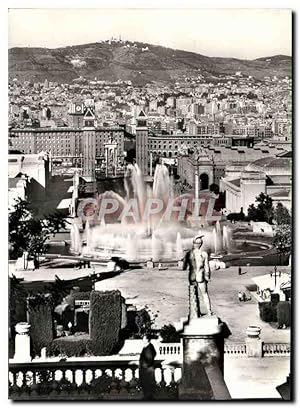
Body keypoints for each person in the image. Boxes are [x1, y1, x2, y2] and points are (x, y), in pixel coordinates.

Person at [183, 235, 212, 318]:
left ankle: (195, 313)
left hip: (192, 276)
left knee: (193, 295)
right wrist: (207, 276)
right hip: (200, 276)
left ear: (193, 243)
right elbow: (207, 267)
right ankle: (209, 311)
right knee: (205, 294)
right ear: (201, 244)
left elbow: (184, 267)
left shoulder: (189, 254)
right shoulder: (204, 254)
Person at [139, 334, 157, 400]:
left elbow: (149, 359)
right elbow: (154, 353)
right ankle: (148, 397)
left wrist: (144, 366)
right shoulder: (149, 346)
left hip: (147, 370)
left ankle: (148, 398)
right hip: (147, 369)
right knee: (147, 384)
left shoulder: (148, 347)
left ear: (147, 340)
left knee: (147, 384)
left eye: (144, 338)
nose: (142, 339)